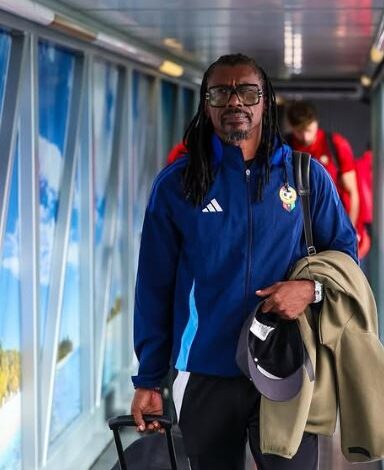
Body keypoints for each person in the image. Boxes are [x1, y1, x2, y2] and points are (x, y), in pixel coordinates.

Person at [131, 53, 357, 470]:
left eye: (248, 92)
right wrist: (148, 378)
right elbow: (153, 288)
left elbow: (346, 259)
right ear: (207, 104)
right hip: (205, 373)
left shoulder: (304, 177)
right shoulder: (178, 185)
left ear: (265, 101)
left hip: (286, 366)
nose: (235, 101)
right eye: (221, 92)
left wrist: (310, 290)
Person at [286, 101, 360, 229]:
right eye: (299, 131)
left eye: (308, 130)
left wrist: (349, 230)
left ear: (316, 122)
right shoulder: (284, 147)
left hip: (332, 220)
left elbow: (352, 192)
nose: (305, 137)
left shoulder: (335, 145)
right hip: (296, 220)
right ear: (291, 128)